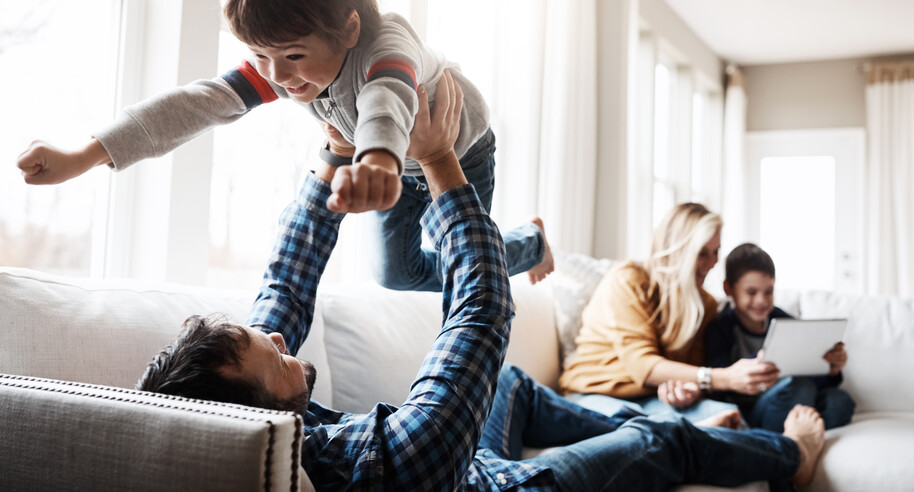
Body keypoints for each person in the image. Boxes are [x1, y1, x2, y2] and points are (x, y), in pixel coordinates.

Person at [138, 82, 825, 491]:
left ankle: (683, 422)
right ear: (266, 411)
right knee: (657, 447)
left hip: (473, 458)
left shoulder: (261, 422)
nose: (282, 336)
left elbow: (285, 282)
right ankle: (790, 455)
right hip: (501, 487)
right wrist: (440, 161)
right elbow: (480, 313)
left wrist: (332, 157)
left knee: (514, 387)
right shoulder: (387, 461)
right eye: (273, 355)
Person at [15, 0, 553, 291]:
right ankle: (528, 242)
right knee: (394, 275)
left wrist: (380, 162)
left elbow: (386, 100)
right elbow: (198, 103)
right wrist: (84, 155)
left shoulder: (387, 44)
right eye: (260, 56)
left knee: (467, 272)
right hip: (378, 162)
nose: (276, 76)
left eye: (292, 55)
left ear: (349, 27)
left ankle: (528, 245)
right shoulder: (289, 66)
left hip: (454, 148)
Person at [559, 202, 781, 424]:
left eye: (716, 252)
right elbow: (643, 365)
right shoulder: (628, 280)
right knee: (646, 428)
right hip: (596, 394)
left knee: (731, 418)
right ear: (677, 250)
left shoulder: (706, 304)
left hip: (654, 399)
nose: (712, 262)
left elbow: (694, 369)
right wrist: (724, 378)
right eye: (702, 252)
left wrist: (691, 389)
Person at [705, 242, 856, 432]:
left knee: (840, 401)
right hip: (753, 407)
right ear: (729, 289)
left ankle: (795, 427)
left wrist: (830, 369)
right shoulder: (720, 328)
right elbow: (720, 386)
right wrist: (760, 361)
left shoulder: (785, 322)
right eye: (751, 292)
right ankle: (779, 436)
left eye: (768, 291)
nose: (761, 300)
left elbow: (812, 378)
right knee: (799, 388)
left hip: (795, 397)